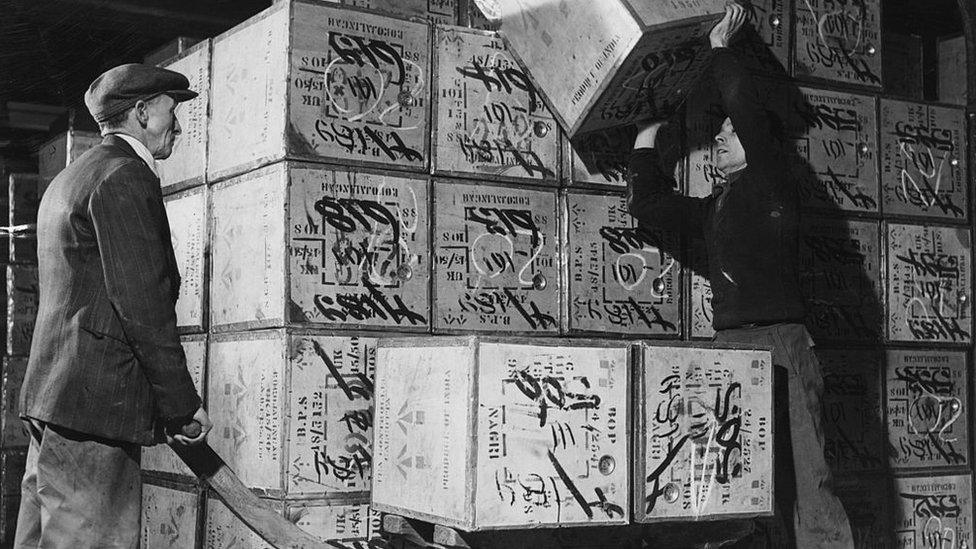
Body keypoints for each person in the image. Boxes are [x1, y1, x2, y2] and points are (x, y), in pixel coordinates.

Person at [627, 4, 854, 548]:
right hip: (729, 351)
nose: (723, 137)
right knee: (750, 492)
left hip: (781, 344)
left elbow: (747, 109)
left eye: (731, 131)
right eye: (721, 132)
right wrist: (645, 135)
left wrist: (721, 48)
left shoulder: (775, 181)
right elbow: (650, 206)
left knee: (809, 488)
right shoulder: (714, 211)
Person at [15, 64, 213, 548]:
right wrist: (181, 406)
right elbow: (141, 305)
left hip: (53, 399)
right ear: (143, 112)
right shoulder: (126, 175)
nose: (179, 125)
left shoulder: (71, 178)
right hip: (95, 411)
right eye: (172, 110)